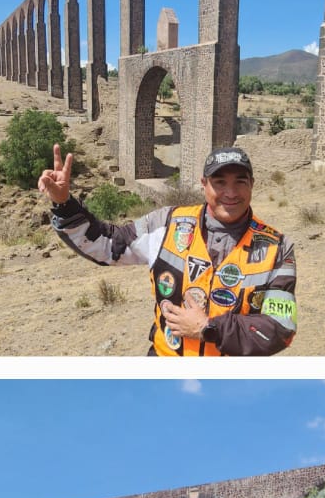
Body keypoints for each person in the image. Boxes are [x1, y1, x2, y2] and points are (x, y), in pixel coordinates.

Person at [39, 144, 296, 357]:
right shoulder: (166, 223)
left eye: (240, 182)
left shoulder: (277, 247)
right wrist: (64, 206)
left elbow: (280, 328)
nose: (230, 193)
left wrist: (209, 328)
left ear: (252, 183)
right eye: (219, 182)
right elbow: (108, 245)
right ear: (204, 184)